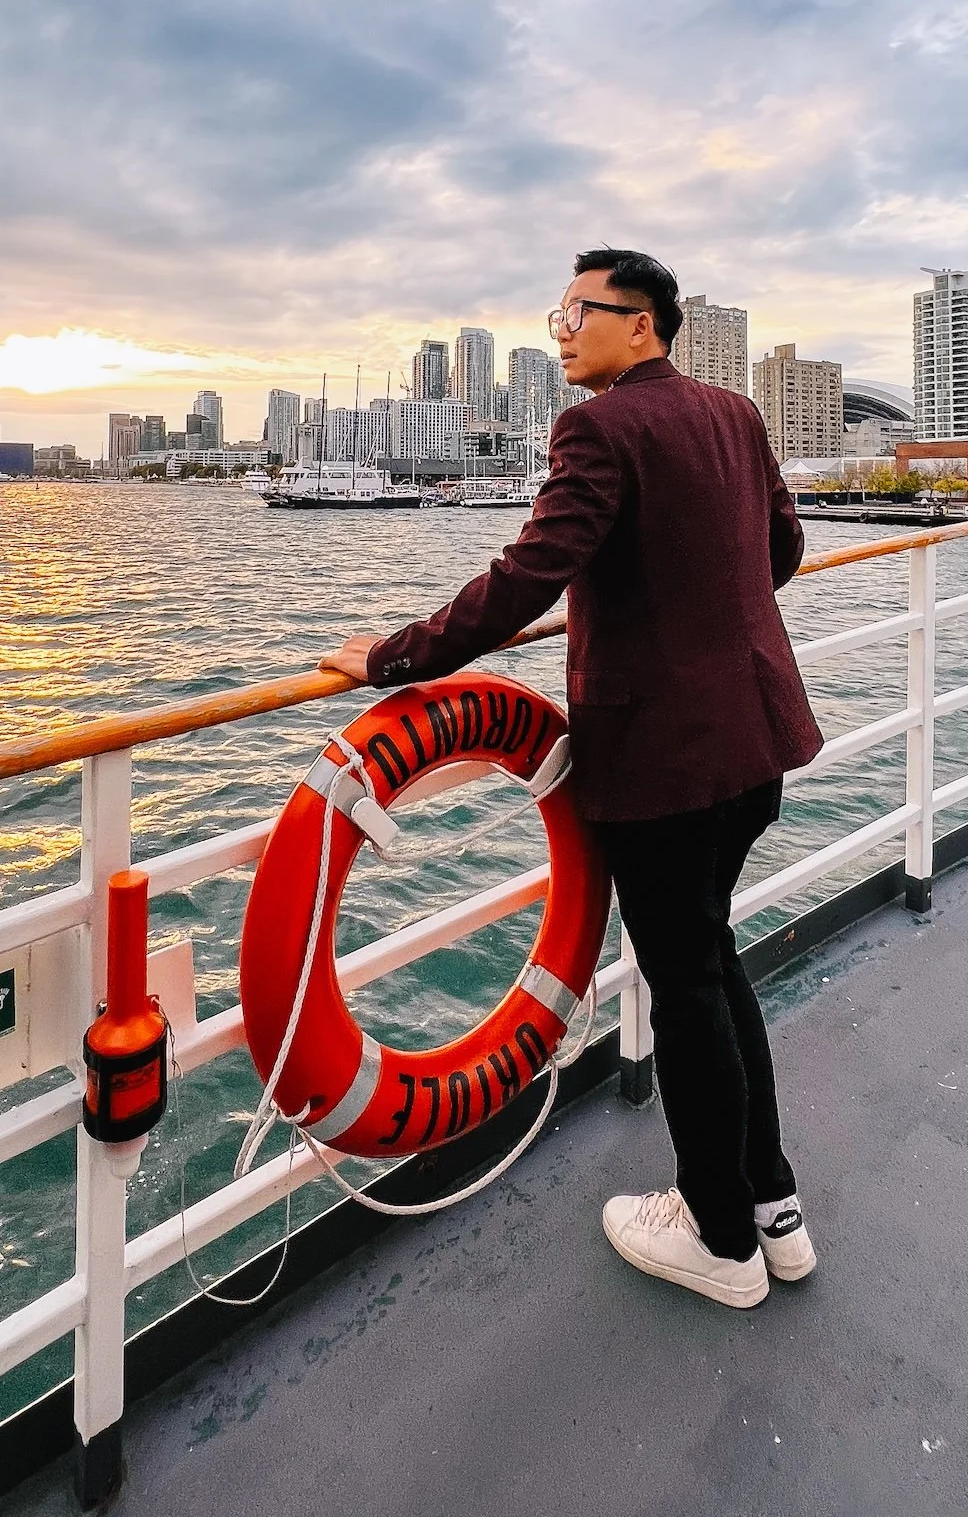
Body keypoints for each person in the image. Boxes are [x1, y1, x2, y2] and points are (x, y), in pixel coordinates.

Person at [321, 248, 824, 1309]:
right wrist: (693, 610)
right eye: (556, 315)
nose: (559, 331)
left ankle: (721, 1240)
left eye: (575, 312)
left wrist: (395, 657)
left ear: (641, 324)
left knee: (687, 985)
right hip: (753, 740)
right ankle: (771, 1207)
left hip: (666, 759)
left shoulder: (599, 427)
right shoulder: (734, 413)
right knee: (712, 963)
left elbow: (528, 575)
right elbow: (779, 548)